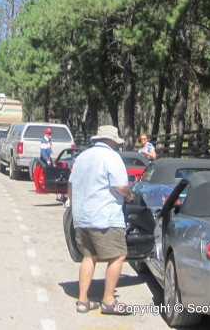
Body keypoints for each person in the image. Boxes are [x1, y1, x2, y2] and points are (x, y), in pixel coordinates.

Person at [68, 125, 133, 315]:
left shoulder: (82, 157)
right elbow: (121, 186)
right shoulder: (112, 157)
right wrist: (129, 196)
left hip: (81, 217)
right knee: (118, 255)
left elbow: (70, 186)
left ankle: (82, 300)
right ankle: (109, 300)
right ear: (112, 141)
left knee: (89, 257)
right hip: (105, 217)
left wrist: (74, 206)